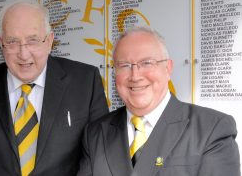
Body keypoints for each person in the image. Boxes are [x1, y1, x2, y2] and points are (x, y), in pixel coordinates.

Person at [0, 0, 109, 176]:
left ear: (50, 41)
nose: (23, 53)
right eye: (12, 42)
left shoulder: (85, 81)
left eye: (33, 40)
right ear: (1, 43)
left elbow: (99, 159)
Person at [77, 26, 240, 176]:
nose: (135, 76)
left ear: (168, 68)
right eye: (124, 65)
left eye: (147, 63)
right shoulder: (94, 134)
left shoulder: (212, 128)